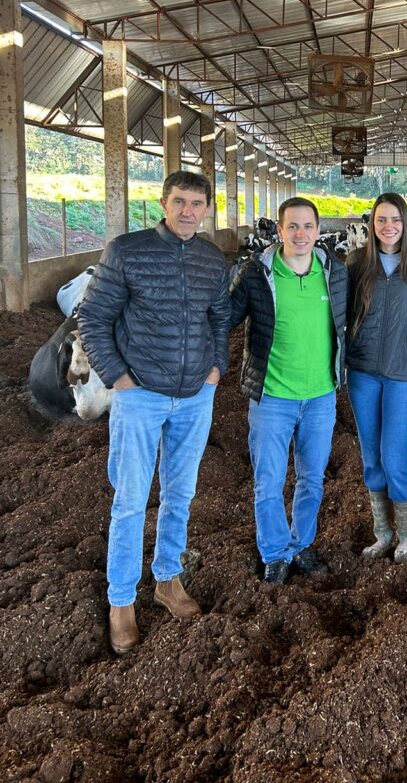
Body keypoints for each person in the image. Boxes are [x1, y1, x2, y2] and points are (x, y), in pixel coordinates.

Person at [78, 170, 230, 655]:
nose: (188, 211)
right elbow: (93, 316)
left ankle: (167, 579)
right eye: (179, 201)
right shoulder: (126, 251)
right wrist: (116, 375)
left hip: (195, 396)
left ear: (207, 208)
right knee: (130, 499)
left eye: (197, 203)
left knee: (180, 495)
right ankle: (121, 600)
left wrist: (217, 366)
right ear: (163, 203)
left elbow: (221, 316)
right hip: (139, 394)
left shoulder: (212, 259)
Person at [230, 197, 346, 584]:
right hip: (273, 398)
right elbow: (223, 319)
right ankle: (275, 553)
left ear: (318, 230)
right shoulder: (255, 274)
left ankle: (301, 543)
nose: (300, 234)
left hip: (320, 396)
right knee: (269, 481)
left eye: (307, 226)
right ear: (278, 231)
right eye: (291, 226)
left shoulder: (334, 272)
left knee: (312, 478)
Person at [346, 193, 407, 563]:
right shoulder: (355, 265)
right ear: (371, 224)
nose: (389, 226)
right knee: (371, 460)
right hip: (362, 374)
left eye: (395, 219)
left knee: (395, 460)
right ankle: (383, 534)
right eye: (381, 219)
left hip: (402, 375)